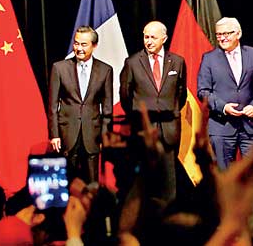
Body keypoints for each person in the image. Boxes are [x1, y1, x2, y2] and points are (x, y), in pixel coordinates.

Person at [120, 20, 187, 201]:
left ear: (164, 39)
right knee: (145, 178)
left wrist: (166, 111)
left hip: (169, 128)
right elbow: (125, 96)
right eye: (146, 37)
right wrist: (141, 115)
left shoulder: (178, 62)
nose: (148, 41)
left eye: (153, 37)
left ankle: (168, 216)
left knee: (169, 179)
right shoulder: (132, 62)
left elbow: (180, 95)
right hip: (143, 129)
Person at [197, 17, 253, 169]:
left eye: (227, 33)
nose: (222, 38)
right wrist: (223, 107)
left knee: (252, 177)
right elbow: (203, 91)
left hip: (250, 127)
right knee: (224, 179)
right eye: (219, 34)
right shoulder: (209, 59)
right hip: (221, 127)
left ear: (238, 34)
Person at [48, 26, 113, 183]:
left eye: (84, 44)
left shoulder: (105, 70)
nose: (79, 48)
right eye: (76, 44)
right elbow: (52, 106)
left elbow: (107, 108)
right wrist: (54, 134)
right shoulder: (59, 68)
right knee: (68, 183)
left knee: (92, 185)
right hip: (67, 134)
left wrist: (105, 137)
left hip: (92, 135)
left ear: (94, 46)